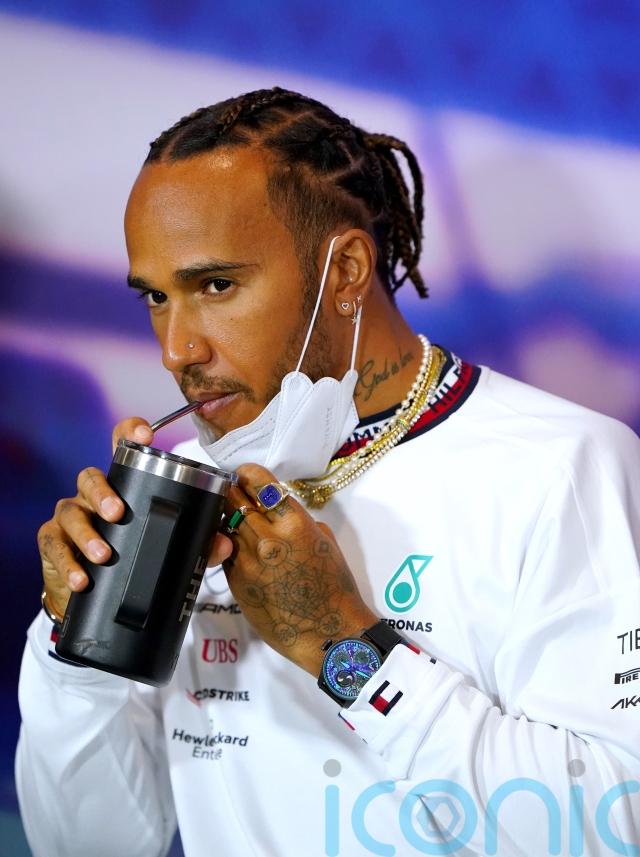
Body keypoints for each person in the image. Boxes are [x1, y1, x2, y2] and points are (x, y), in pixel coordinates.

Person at [17, 87, 640, 857]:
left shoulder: (562, 466)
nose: (177, 349)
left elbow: (615, 830)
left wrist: (345, 646)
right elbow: (84, 845)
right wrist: (74, 639)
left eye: (215, 286)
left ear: (344, 271)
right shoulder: (178, 494)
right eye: (155, 296)